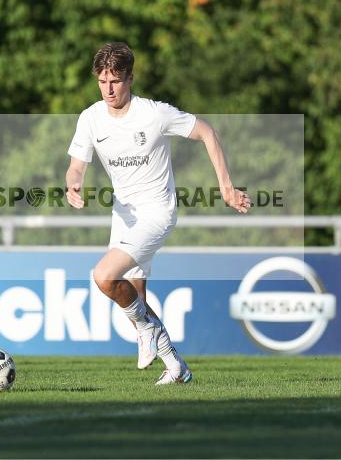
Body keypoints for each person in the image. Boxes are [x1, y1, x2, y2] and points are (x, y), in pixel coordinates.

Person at [66, 42, 250, 385]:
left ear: (130, 78)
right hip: (124, 214)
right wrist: (73, 184)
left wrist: (226, 187)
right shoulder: (90, 118)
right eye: (103, 80)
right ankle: (176, 366)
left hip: (157, 212)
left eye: (116, 81)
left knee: (104, 276)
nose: (108, 88)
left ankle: (150, 330)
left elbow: (208, 133)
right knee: (134, 298)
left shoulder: (153, 113)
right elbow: (76, 166)